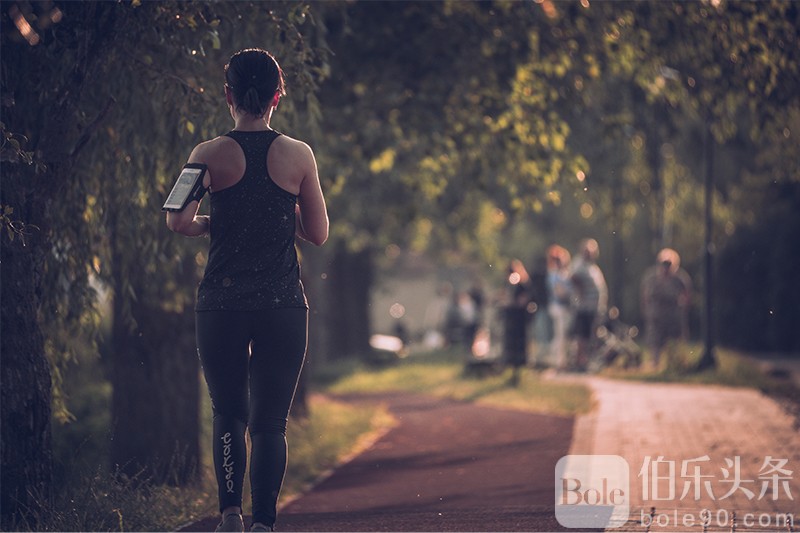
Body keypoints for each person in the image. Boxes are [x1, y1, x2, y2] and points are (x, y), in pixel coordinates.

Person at [166, 49, 328, 533]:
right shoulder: (299, 154)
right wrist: (278, 216)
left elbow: (177, 220)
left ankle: (230, 515)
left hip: (221, 303)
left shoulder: (206, 153)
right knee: (269, 423)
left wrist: (218, 222)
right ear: (279, 95)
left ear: (228, 94)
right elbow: (317, 233)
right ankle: (264, 524)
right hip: (281, 304)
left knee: (228, 413)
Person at [640, 248, 692, 368]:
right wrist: (646, 311)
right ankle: (655, 364)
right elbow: (644, 295)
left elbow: (687, 294)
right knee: (655, 341)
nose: (666, 267)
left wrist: (683, 309)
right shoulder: (651, 277)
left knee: (675, 340)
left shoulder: (680, 278)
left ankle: (674, 364)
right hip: (656, 315)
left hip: (673, 315)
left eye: (669, 264)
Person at [569, 239, 607, 371]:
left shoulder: (592, 266)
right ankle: (579, 363)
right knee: (582, 336)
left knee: (590, 336)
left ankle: (586, 362)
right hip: (584, 308)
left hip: (593, 307)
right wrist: (581, 293)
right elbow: (573, 278)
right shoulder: (579, 264)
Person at [546, 244, 572, 371]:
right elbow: (559, 292)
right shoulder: (554, 275)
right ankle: (559, 361)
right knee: (560, 335)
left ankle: (561, 360)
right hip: (558, 307)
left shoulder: (564, 274)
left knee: (564, 335)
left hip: (565, 308)